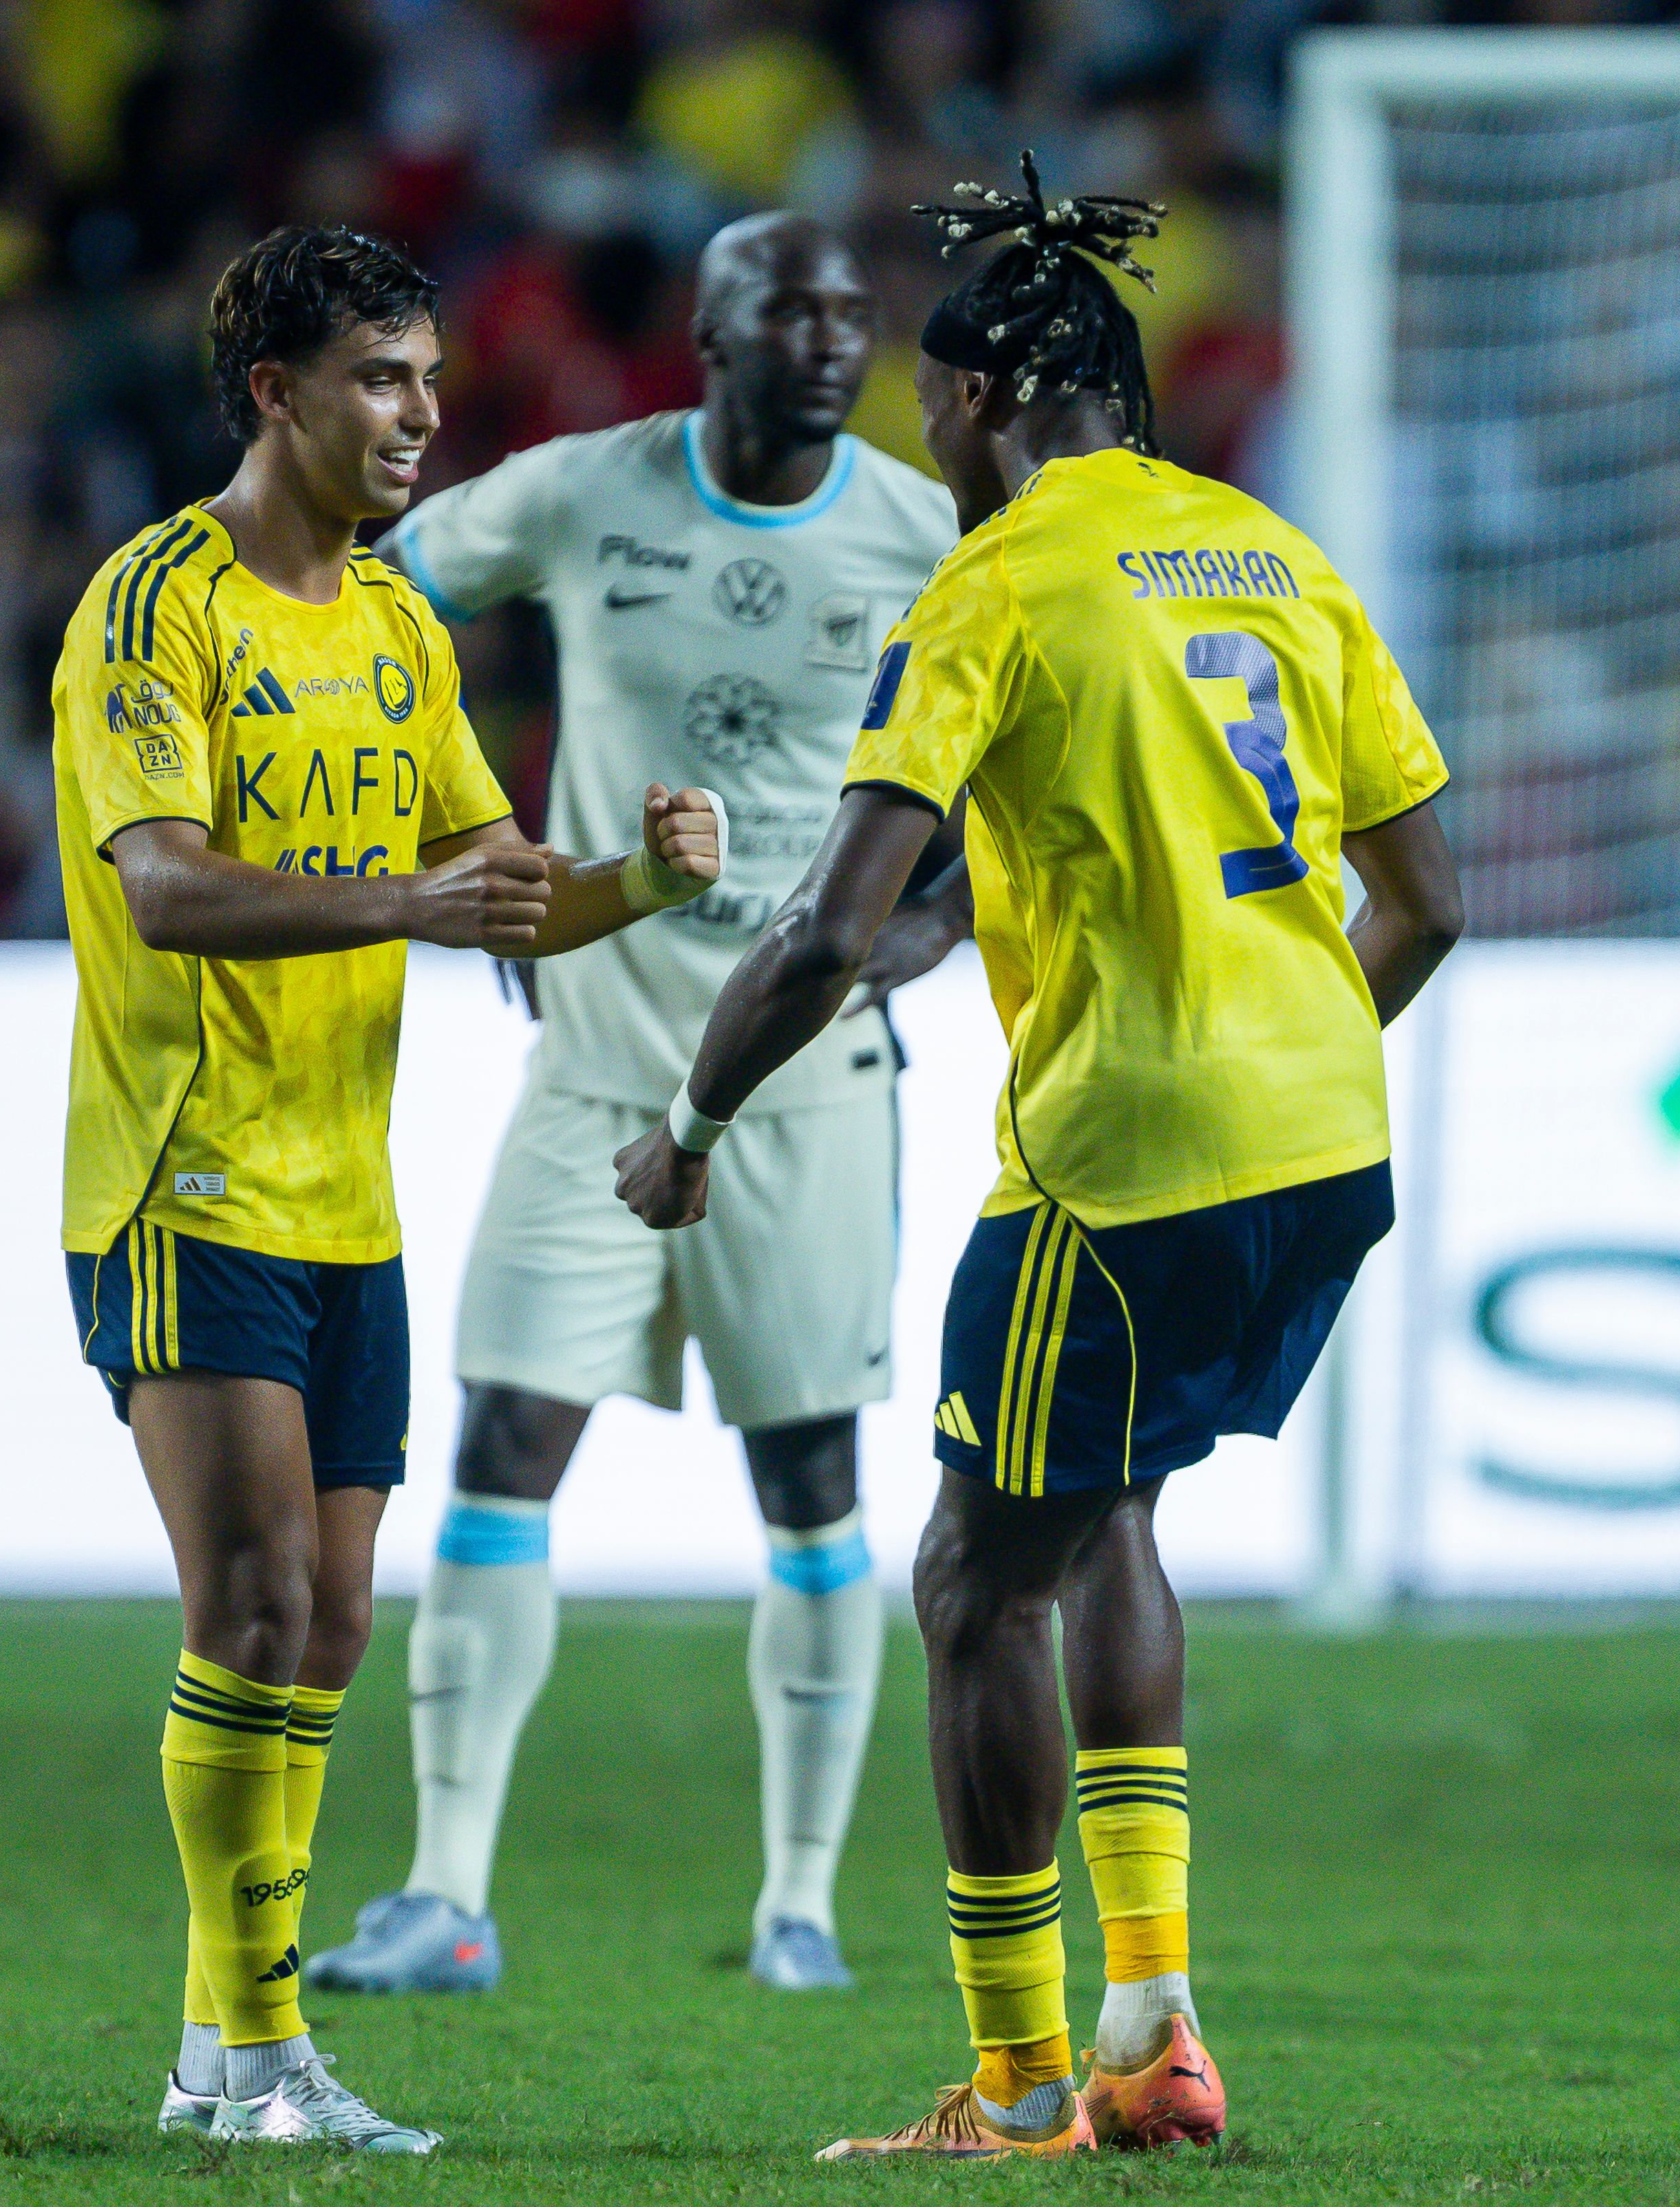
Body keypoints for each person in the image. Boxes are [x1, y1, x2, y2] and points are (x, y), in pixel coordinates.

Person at [615, 158, 1466, 2159]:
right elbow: (1426, 895)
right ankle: (1156, 2029)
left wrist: (693, 1123)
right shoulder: (1270, 554)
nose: (928, 437)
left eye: (932, 404)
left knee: (972, 1581)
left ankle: (1012, 2093)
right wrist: (1283, 1055)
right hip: (1329, 1139)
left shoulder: (990, 588)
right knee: (1107, 1522)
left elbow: (832, 923)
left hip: (1123, 1157)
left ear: (991, 396)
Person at [52, 226, 724, 2157]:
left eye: (429, 378)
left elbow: (496, 884)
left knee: (332, 1621)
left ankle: (215, 2052)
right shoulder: (153, 606)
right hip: (180, 1177)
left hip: (346, 1196)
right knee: (248, 1597)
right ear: (274, 393)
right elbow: (165, 883)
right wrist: (415, 904)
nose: (427, 413)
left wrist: (646, 876)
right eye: (383, 377)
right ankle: (265, 2059)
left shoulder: (394, 622)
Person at [310, 212, 961, 2001]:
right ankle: (445, 1891)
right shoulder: (585, 488)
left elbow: (1029, 754)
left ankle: (802, 1905)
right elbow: (379, 596)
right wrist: (476, 833)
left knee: (811, 1475)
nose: (833, 339)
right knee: (504, 1442)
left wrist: (939, 919)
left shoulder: (925, 533)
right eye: (791, 310)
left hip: (809, 1079)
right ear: (712, 333)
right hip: (595, 1055)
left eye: (854, 312)